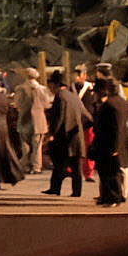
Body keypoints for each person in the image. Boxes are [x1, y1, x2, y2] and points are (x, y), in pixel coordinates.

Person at [43, 68, 87, 197]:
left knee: (59, 163)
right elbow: (87, 116)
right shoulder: (74, 97)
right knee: (75, 166)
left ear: (55, 85)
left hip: (63, 137)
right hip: (76, 136)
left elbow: (59, 118)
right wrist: (79, 128)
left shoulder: (60, 97)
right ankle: (76, 191)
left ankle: (55, 188)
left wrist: (52, 134)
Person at [88, 71, 128, 206]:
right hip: (116, 143)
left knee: (109, 172)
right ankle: (107, 197)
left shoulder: (110, 105)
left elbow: (115, 127)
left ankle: (112, 198)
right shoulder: (122, 102)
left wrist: (114, 147)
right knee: (108, 172)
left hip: (108, 143)